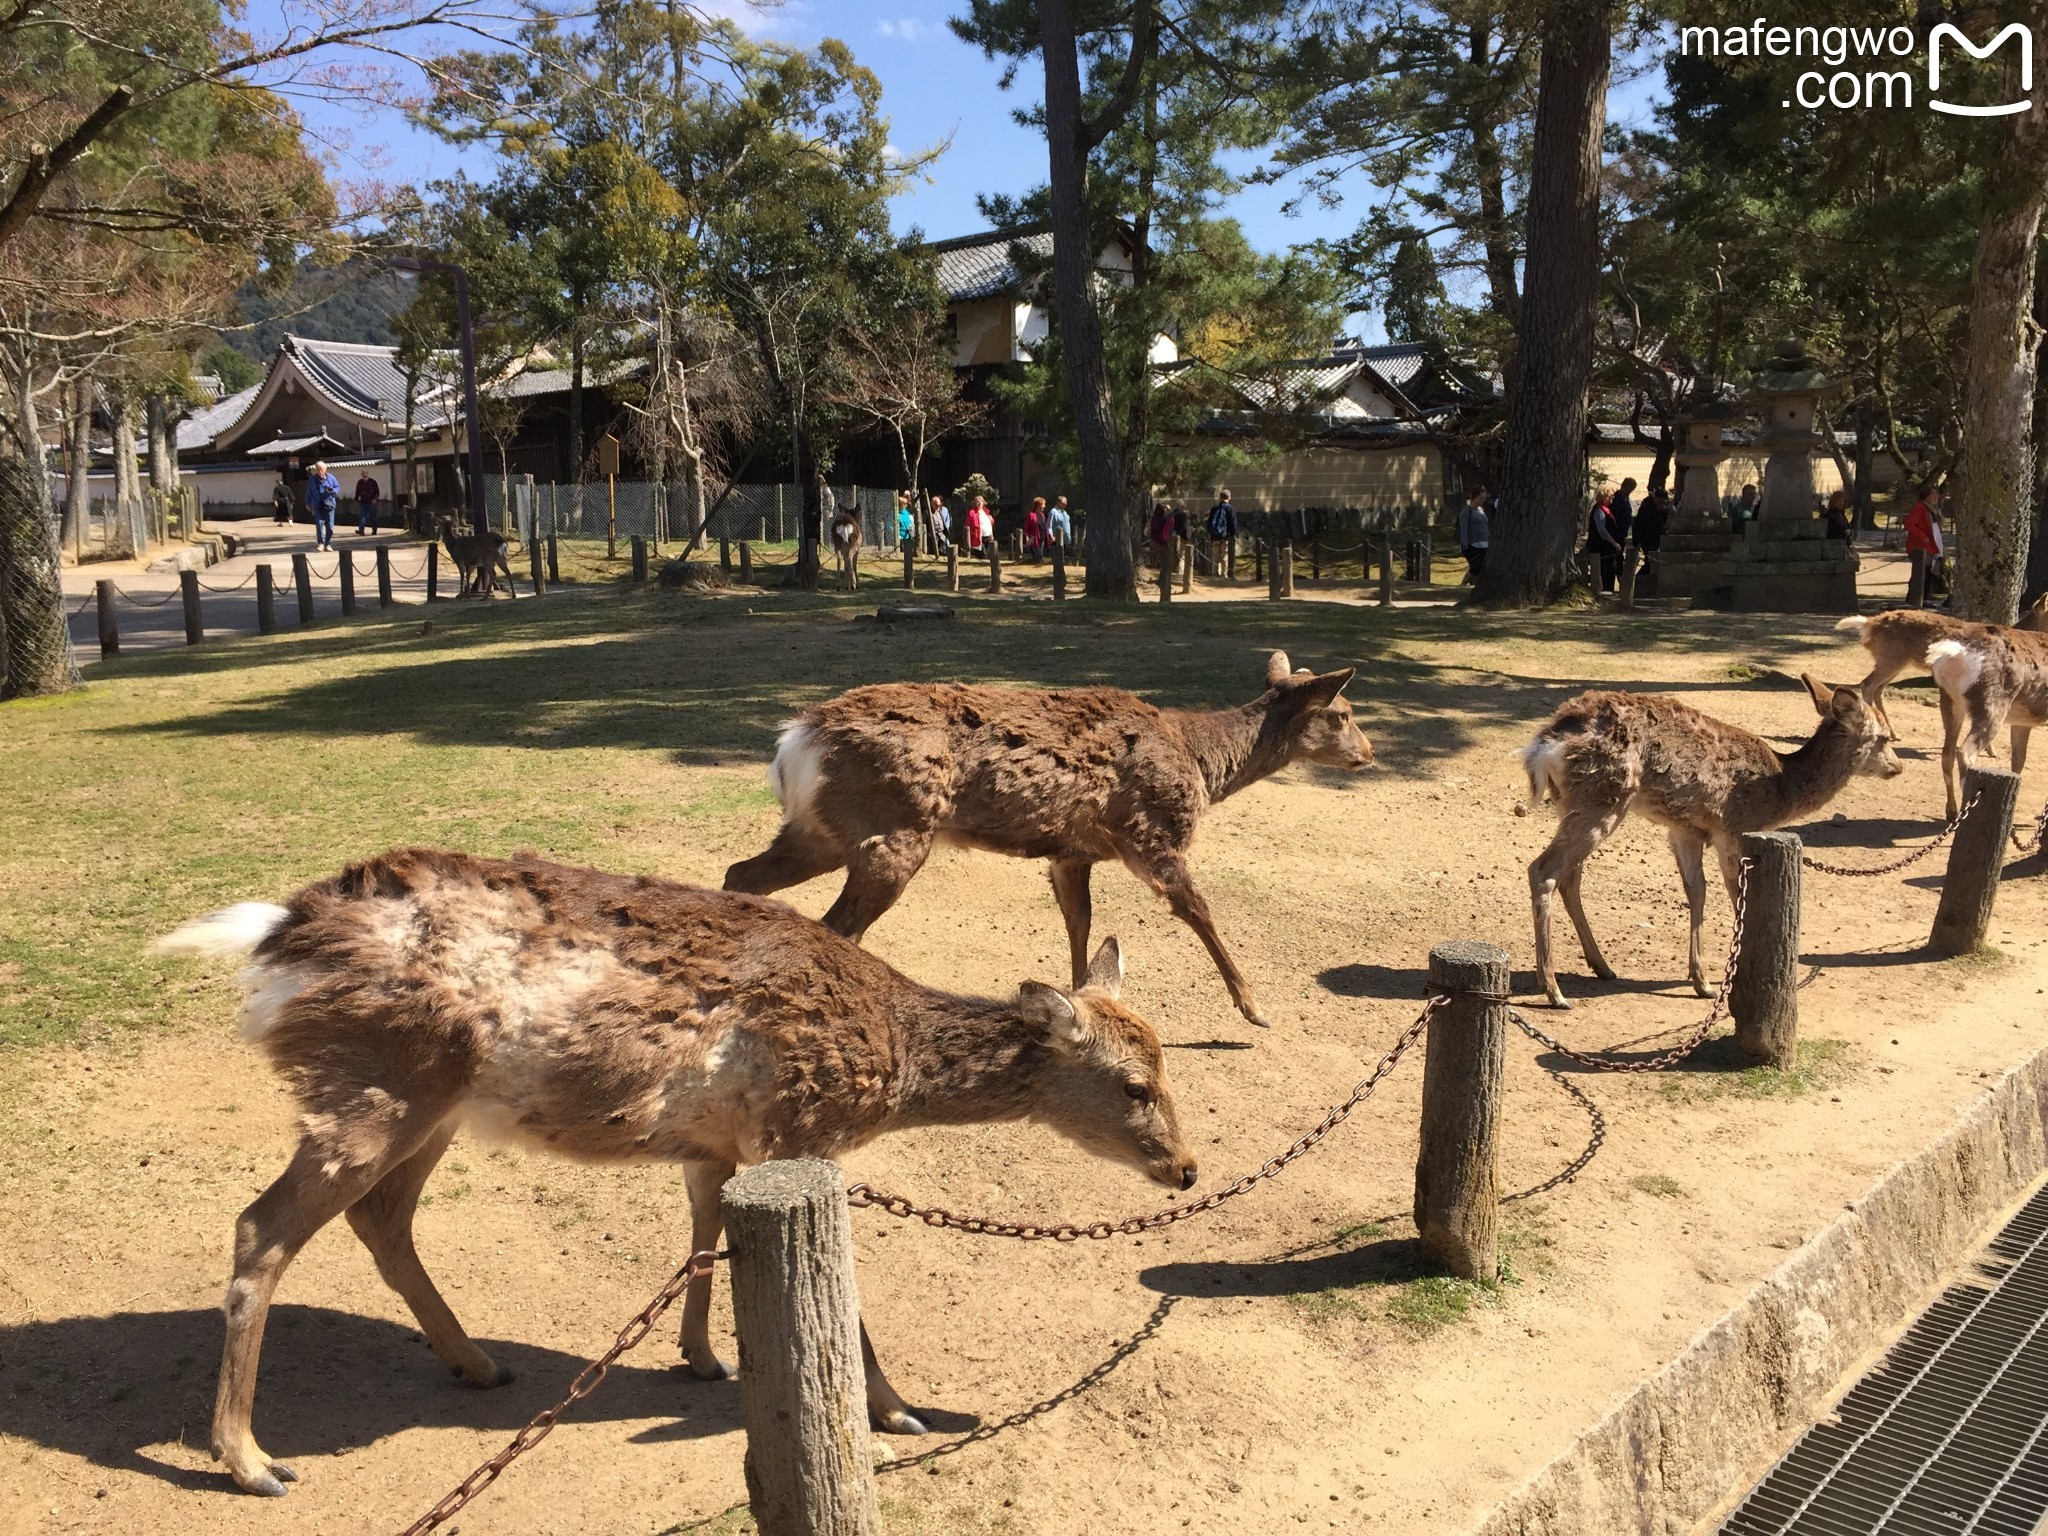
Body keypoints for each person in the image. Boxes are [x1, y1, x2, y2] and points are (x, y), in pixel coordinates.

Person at [1905, 481, 1945, 609]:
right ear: (1926, 496)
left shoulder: (1932, 509)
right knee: (1921, 572)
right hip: (1921, 546)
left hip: (1932, 545)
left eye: (1937, 494)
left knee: (1929, 572)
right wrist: (1923, 536)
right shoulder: (1920, 508)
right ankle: (1916, 597)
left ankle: (1924, 596)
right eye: (1933, 494)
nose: (1936, 496)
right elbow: (1909, 524)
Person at [1583, 488, 1622, 592]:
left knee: (1610, 570)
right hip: (1601, 547)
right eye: (1609, 497)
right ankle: (1603, 592)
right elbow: (1602, 530)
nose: (1612, 499)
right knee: (1604, 571)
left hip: (1608, 547)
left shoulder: (1605, 509)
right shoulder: (1599, 510)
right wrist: (1614, 543)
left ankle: (1608, 589)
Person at [1635, 485, 1671, 587]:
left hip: (1656, 539)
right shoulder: (1646, 508)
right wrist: (1637, 541)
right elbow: (1638, 525)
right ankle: (1638, 581)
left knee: (1651, 563)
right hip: (1647, 539)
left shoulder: (1659, 510)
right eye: (1660, 501)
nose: (1662, 503)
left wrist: (1665, 512)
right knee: (1649, 562)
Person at [1456, 486, 1490, 584]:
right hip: (1472, 545)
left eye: (1484, 498)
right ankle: (1464, 583)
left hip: (1484, 544)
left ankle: (1473, 584)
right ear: (1474, 497)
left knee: (1481, 568)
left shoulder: (1481, 511)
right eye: (1481, 498)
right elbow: (1463, 528)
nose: (1482, 500)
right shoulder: (1467, 511)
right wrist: (1465, 545)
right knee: (1475, 567)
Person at [305, 460, 340, 551]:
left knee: (330, 526)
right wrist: (308, 503)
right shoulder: (312, 479)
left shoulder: (331, 477)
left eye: (321, 469)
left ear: (325, 469)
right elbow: (309, 492)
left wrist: (332, 491)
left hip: (329, 504)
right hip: (318, 504)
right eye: (318, 469)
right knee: (319, 524)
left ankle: (328, 543)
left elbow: (337, 487)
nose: (320, 471)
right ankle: (320, 543)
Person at [353, 470, 382, 536]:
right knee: (362, 517)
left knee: (373, 517)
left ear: (367, 474)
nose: (364, 475)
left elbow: (377, 491)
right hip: (363, 502)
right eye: (363, 474)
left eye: (366, 473)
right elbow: (357, 491)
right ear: (361, 474)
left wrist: (375, 499)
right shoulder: (360, 482)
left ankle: (374, 530)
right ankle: (361, 530)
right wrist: (356, 499)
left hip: (371, 502)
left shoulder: (372, 482)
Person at [1610, 476, 1638, 546]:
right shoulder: (1615, 499)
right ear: (1623, 486)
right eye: (1628, 489)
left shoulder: (1626, 500)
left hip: (1622, 534)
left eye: (1631, 490)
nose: (1629, 492)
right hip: (1614, 533)